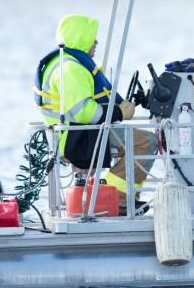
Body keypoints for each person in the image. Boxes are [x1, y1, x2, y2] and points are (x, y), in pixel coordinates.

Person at [34, 14, 156, 211]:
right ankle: (114, 199)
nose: (96, 42)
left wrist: (119, 108)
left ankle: (108, 196)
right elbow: (84, 112)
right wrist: (119, 113)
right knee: (146, 141)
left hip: (67, 135)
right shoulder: (73, 69)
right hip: (77, 137)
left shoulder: (63, 62)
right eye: (92, 37)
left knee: (134, 141)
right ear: (80, 37)